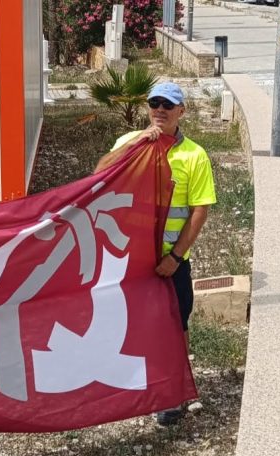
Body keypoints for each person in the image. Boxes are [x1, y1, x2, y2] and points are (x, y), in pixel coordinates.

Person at [95, 81, 217, 426]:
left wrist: (176, 257)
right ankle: (137, 384)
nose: (160, 110)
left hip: (169, 262)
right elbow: (100, 173)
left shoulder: (194, 155)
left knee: (176, 325)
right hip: (130, 258)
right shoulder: (131, 142)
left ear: (182, 112)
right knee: (130, 324)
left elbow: (199, 210)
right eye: (155, 104)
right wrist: (135, 144)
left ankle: (174, 394)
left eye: (168, 104)